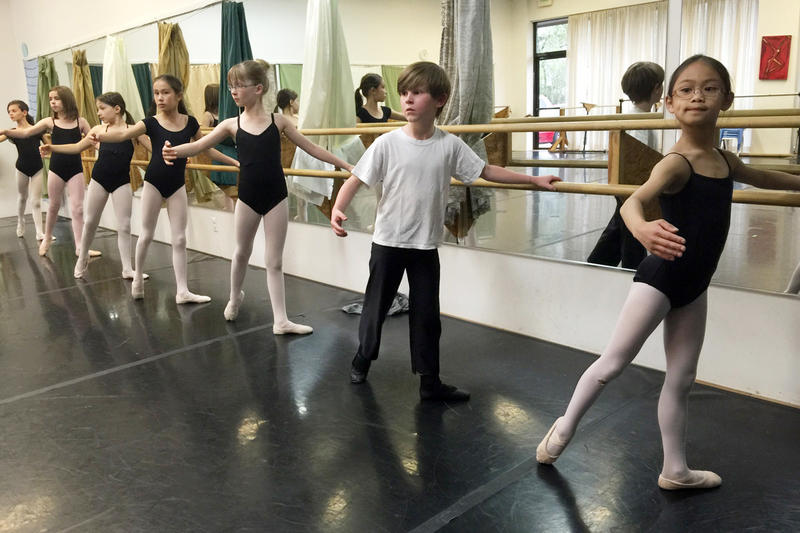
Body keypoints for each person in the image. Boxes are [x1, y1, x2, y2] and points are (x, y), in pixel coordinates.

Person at [536, 55, 800, 490]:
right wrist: (641, 229)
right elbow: (632, 203)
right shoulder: (677, 162)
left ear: (727, 100)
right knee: (613, 363)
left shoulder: (725, 160)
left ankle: (675, 470)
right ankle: (563, 427)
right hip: (660, 278)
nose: (698, 95)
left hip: (694, 286)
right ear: (670, 104)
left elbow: (766, 176)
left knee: (681, 378)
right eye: (686, 89)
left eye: (709, 88)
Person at [331, 61, 560, 401]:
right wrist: (338, 207)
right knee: (375, 307)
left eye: (417, 93)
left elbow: (486, 170)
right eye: (404, 93)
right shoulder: (387, 143)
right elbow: (356, 178)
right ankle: (363, 357)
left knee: (426, 316)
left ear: (439, 99)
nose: (407, 100)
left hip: (425, 246)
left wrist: (533, 179)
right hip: (388, 243)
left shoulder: (448, 145)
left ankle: (429, 381)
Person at [163, 60, 353, 333]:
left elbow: (311, 148)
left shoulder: (279, 121)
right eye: (231, 86)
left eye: (240, 85)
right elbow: (199, 146)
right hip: (248, 197)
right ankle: (234, 297)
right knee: (241, 252)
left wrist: (346, 166)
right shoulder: (231, 124)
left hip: (276, 195)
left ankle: (281, 320)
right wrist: (174, 151)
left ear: (259, 88)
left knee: (274, 260)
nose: (233, 91)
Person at [93, 74, 239, 304]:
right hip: (154, 183)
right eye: (156, 93)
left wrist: (234, 163)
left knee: (180, 239)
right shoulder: (150, 122)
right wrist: (99, 134)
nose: (160, 98)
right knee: (147, 234)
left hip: (177, 185)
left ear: (179, 95)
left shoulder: (190, 122)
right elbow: (123, 133)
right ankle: (138, 277)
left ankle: (182, 291)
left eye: (165, 92)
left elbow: (206, 148)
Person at [40, 92, 151, 279]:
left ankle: (126, 268)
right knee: (91, 221)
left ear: (117, 109)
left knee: (124, 225)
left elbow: (155, 150)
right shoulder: (98, 130)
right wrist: (52, 148)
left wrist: (180, 155)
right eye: (98, 109)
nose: (98, 113)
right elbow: (76, 147)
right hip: (99, 180)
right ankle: (81, 257)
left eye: (102, 108)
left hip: (122, 181)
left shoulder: (132, 130)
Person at [1, 87, 98, 257]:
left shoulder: (80, 122)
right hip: (56, 168)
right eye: (50, 99)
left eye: (56, 99)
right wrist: (6, 132)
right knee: (53, 206)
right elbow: (26, 133)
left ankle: (80, 247)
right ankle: (46, 238)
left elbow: (93, 140)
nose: (52, 102)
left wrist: (104, 145)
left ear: (66, 100)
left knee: (77, 209)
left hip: (75, 168)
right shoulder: (49, 122)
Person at [587, 62, 665, 269]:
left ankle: (598, 262)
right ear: (657, 88)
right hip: (632, 183)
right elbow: (637, 158)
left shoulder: (640, 116)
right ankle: (632, 269)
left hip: (630, 182)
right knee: (631, 230)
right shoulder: (637, 120)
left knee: (620, 227)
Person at [0, 100, 44, 239]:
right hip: (21, 168)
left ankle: (39, 232)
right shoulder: (12, 132)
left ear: (24, 112)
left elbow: (51, 144)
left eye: (14, 111)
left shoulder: (37, 129)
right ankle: (20, 221)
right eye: (9, 112)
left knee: (36, 201)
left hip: (37, 167)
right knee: (22, 197)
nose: (10, 114)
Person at [203, 83, 237, 211]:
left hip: (230, 150)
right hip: (219, 150)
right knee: (226, 185)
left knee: (233, 184)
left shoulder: (224, 114)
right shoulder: (208, 115)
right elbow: (203, 134)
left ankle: (232, 207)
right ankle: (228, 208)